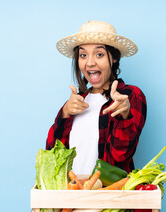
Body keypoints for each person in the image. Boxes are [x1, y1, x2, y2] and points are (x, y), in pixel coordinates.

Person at [46, 20, 146, 174]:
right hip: (72, 192)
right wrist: (65, 113)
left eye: (99, 54)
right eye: (83, 55)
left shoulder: (130, 96)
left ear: (114, 58)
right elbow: (51, 155)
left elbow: (121, 155)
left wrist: (124, 115)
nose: (90, 63)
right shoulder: (75, 102)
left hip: (108, 193)